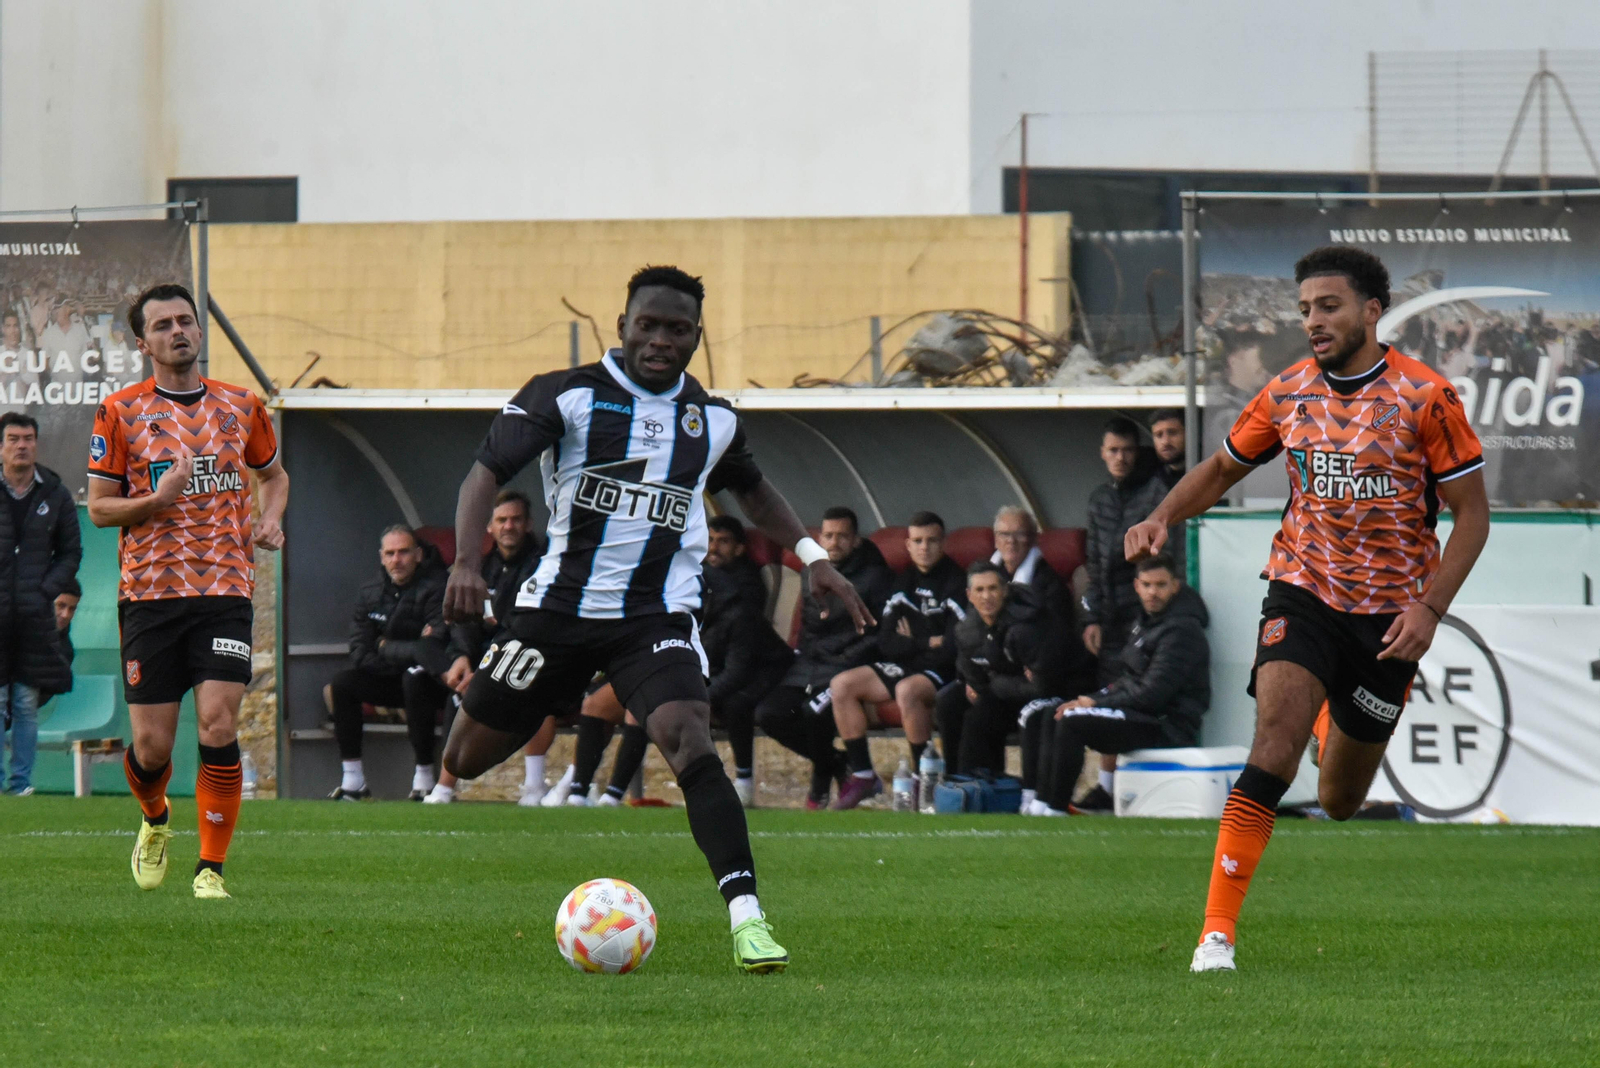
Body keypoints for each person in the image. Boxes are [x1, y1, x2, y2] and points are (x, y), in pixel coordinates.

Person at [440, 264, 871, 973]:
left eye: (677, 329)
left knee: (688, 739)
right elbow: (486, 470)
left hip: (654, 617)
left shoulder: (712, 419)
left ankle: (748, 919)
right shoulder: (566, 394)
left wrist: (812, 557)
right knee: (464, 757)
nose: (661, 340)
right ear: (623, 327)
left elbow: (754, 489)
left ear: (697, 336)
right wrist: (466, 562)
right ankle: (555, 694)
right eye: (648, 325)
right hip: (554, 614)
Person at [1124, 246, 1490, 974]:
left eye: (1328, 306)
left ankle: (1333, 718)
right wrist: (1163, 514)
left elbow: (1472, 516)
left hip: (1390, 620)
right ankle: (1215, 937)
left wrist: (1429, 609)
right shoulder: (1287, 391)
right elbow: (1222, 467)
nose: (1313, 321)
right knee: (1272, 748)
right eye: (1304, 310)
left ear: (1372, 311)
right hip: (1304, 589)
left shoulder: (1426, 397)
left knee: (1340, 797)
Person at [88, 282, 289, 900]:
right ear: (142, 343)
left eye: (185, 321)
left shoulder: (242, 405)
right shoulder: (120, 411)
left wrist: (271, 518)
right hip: (150, 595)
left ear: (199, 331)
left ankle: (210, 869)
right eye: (162, 325)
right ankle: (154, 819)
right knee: (151, 748)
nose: (177, 331)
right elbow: (99, 508)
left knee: (218, 723)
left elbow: (273, 475)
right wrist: (157, 499)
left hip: (225, 590)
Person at [567, 564, 794, 808]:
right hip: (663, 678)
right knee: (594, 705)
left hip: (714, 687)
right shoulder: (660, 608)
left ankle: (612, 797)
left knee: (642, 710)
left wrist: (697, 696)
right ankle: (577, 792)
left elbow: (735, 672)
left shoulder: (736, 615)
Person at [1032, 554, 1209, 815]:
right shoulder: (1145, 622)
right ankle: (1040, 804)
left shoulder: (1182, 630)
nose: (1153, 592)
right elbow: (1128, 680)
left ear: (1175, 586)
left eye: (1161, 585)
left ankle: (1056, 809)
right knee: (1054, 713)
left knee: (1071, 722)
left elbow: (1152, 694)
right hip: (1143, 715)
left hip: (1166, 724)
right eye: (1147, 585)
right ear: (1137, 586)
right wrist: (1093, 698)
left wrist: (1095, 702)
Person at [753, 506, 893, 809]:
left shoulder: (875, 577)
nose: (834, 542)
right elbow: (808, 627)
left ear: (855, 540)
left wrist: (844, 660)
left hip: (847, 668)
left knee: (814, 712)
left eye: (842, 536)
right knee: (768, 714)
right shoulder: (811, 572)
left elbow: (878, 635)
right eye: (828, 535)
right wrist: (802, 658)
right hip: (809, 666)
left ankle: (820, 785)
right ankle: (836, 763)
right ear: (819, 538)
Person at [829, 511, 966, 810]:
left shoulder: (957, 582)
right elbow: (887, 642)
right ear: (908, 545)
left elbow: (954, 646)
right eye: (918, 541)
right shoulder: (903, 581)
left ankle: (922, 778)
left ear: (943, 543)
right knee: (841, 685)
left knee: (907, 690)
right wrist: (927, 641)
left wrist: (913, 642)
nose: (924, 547)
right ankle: (864, 776)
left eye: (931, 540)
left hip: (942, 669)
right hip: (909, 663)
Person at [421, 489, 547, 804]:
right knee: (438, 678)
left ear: (528, 524)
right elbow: (466, 618)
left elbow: (527, 623)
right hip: (485, 658)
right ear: (489, 527)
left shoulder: (542, 564)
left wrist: (486, 667)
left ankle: (534, 787)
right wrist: (463, 657)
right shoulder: (481, 567)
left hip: (531, 654)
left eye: (516, 519)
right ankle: (442, 787)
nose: (509, 526)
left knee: (537, 691)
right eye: (502, 520)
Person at [324, 525, 453, 801]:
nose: (397, 560)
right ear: (381, 557)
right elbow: (360, 651)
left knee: (415, 677)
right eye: (390, 553)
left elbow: (435, 645)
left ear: (418, 555)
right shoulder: (370, 592)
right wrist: (407, 652)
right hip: (390, 677)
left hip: (432, 682)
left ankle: (424, 778)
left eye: (404, 552)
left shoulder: (439, 587)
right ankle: (353, 781)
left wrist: (385, 646)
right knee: (343, 683)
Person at [0, 412, 82, 796]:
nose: (22, 446)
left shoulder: (56, 493)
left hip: (34, 617)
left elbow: (71, 552)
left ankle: (21, 785)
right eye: (14, 439)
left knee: (25, 702)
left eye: (28, 438)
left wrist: (46, 590)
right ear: (1, 446)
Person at [937, 561, 1043, 776]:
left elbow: (1039, 679)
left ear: (1004, 590)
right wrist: (977, 683)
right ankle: (953, 779)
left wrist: (991, 683)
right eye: (979, 590)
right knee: (948, 702)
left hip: (1028, 695)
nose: (986, 596)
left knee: (979, 715)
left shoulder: (1026, 621)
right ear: (969, 595)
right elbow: (968, 670)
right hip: (993, 689)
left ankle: (977, 783)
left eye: (992, 588)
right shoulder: (966, 629)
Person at [1082, 417, 1165, 687]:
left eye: (1127, 450)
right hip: (1109, 617)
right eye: (1113, 450)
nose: (1120, 458)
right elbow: (1094, 565)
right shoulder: (1098, 499)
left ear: (1137, 452)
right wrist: (1092, 618)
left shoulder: (1155, 493)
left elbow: (1165, 558)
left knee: (1139, 687)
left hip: (1143, 612)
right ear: (1102, 453)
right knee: (1108, 689)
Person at [707, 514, 769, 618]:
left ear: (738, 549)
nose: (713, 548)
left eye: (723, 541)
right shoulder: (699, 569)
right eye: (710, 540)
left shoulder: (747, 582)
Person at [1149, 409, 1186, 489]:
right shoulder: (1149, 485)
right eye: (1159, 435)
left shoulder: (1207, 473)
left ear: (1187, 434)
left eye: (1172, 433)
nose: (1165, 442)